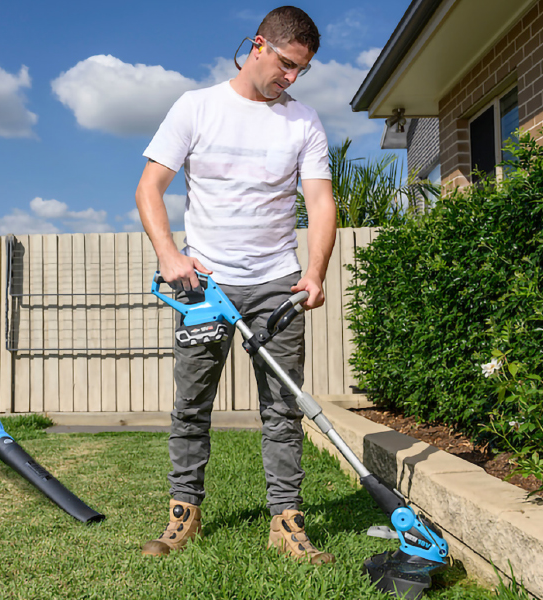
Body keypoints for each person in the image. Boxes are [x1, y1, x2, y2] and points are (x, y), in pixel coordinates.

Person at [134, 6, 337, 564]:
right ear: (258, 47)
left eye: (303, 70)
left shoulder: (304, 121)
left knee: (283, 407)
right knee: (192, 404)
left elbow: (320, 201)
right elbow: (150, 187)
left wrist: (314, 271)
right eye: (287, 64)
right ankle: (183, 515)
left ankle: (287, 522)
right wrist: (170, 254)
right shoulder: (197, 107)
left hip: (278, 283)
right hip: (204, 287)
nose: (291, 78)